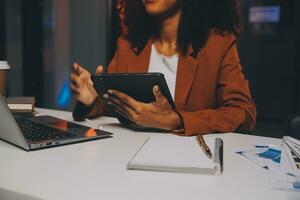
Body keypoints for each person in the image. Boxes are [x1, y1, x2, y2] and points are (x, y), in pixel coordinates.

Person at [70, 0, 257, 136]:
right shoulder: (128, 44)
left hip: (191, 167)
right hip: (129, 162)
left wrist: (175, 120)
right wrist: (92, 100)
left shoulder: (218, 43)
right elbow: (115, 106)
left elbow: (243, 113)